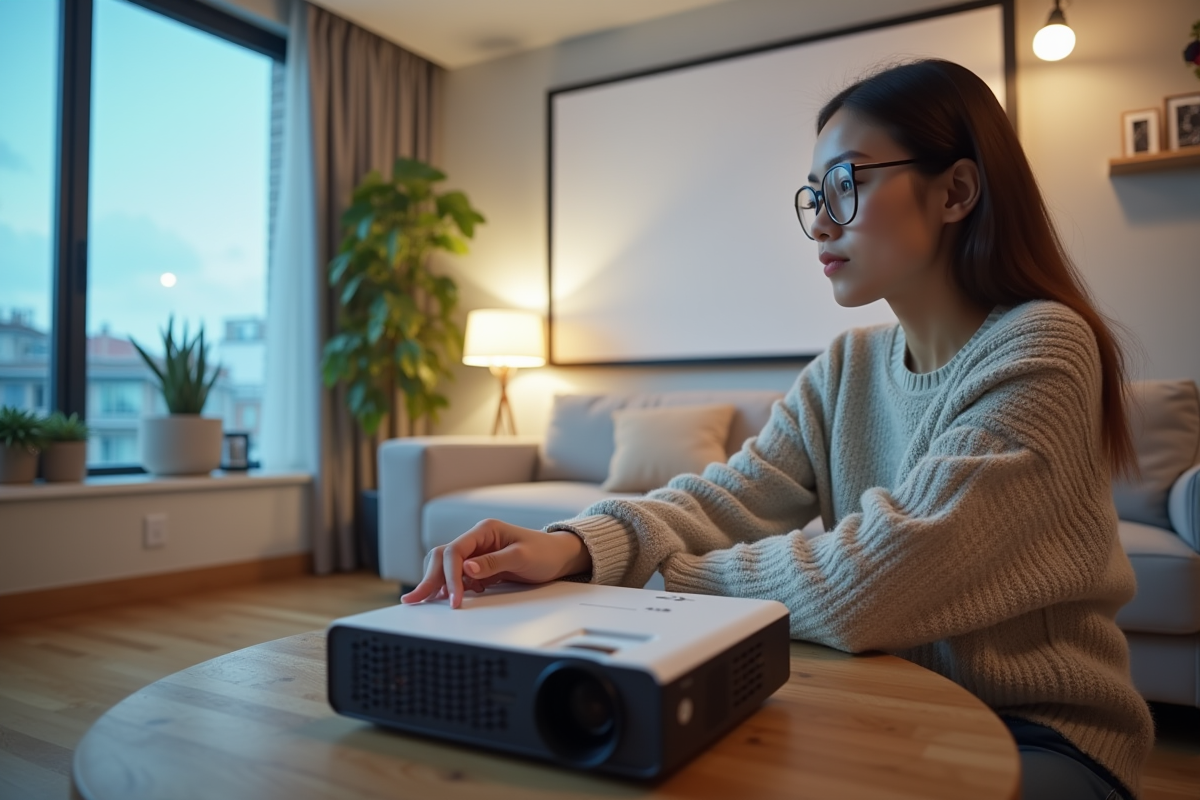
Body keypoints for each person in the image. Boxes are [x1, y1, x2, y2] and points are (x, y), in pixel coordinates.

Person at [401, 59, 1153, 799]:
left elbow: (874, 583)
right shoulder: (846, 366)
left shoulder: (1044, 344)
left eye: (845, 184)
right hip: (883, 705)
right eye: (812, 195)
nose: (820, 220)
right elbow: (728, 496)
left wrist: (655, 578)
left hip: (1040, 731)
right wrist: (573, 546)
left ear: (956, 190)